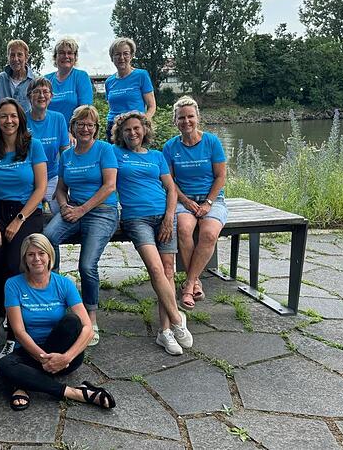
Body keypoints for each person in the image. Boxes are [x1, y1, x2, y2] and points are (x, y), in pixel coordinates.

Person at [0, 234, 116, 412]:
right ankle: (76, 393)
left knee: (72, 321)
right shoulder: (13, 285)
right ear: (24, 258)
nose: (36, 259)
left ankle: (22, 382)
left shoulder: (64, 284)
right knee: (3, 364)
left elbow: (88, 328)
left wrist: (66, 357)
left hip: (65, 357)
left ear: (49, 256)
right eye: (31, 254)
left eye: (41, 253)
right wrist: (43, 359)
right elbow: (19, 332)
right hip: (32, 352)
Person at [0, 98, 47, 358]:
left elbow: (41, 188)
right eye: (3, 116)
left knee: (17, 260)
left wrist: (19, 220)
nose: (9, 121)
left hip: (27, 211)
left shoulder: (33, 147)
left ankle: (15, 329)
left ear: (20, 119)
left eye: (13, 116)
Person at [113, 111, 192, 356]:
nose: (132, 133)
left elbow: (171, 189)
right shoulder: (115, 154)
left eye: (137, 128)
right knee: (156, 269)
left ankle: (164, 332)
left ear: (145, 130)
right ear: (120, 134)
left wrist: (170, 216)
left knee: (168, 270)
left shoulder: (157, 157)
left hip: (165, 217)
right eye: (127, 130)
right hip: (136, 219)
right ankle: (178, 320)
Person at [43, 105, 117, 346]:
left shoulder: (104, 150)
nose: (85, 128)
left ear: (96, 129)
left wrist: (82, 210)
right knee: (47, 238)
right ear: (72, 127)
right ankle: (57, 291)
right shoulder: (67, 155)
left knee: (87, 265)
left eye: (90, 125)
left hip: (102, 211)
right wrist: (64, 206)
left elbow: (109, 187)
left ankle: (90, 319)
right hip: (73, 208)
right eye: (80, 124)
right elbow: (61, 189)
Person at [162, 96, 227, 310]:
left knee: (209, 233)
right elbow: (169, 182)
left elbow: (220, 176)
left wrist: (208, 203)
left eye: (190, 116)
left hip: (212, 199)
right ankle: (195, 281)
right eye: (181, 117)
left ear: (197, 118)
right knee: (184, 228)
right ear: (175, 121)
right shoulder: (170, 147)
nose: (186, 121)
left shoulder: (211, 142)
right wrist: (186, 201)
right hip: (184, 200)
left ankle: (190, 283)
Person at [25, 78, 69, 213]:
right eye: (37, 92)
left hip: (52, 177)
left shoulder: (58, 118)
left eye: (45, 92)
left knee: (61, 215)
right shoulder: (21, 120)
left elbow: (65, 153)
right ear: (29, 96)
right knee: (29, 217)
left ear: (51, 96)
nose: (42, 96)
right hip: (29, 179)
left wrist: (63, 184)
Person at [104, 38, 156, 140]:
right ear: (112, 58)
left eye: (126, 54)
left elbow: (152, 106)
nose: (121, 57)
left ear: (131, 56)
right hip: (113, 128)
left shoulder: (141, 75)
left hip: (134, 129)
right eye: (117, 54)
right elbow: (112, 107)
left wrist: (143, 124)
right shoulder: (109, 82)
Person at [45, 38, 93, 126]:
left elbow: (85, 111)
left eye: (70, 53)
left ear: (75, 57)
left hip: (73, 134)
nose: (66, 56)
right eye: (62, 53)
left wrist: (71, 131)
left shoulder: (81, 76)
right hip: (49, 130)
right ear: (55, 57)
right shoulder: (46, 79)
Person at [0, 39, 38, 112]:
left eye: (19, 55)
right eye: (12, 55)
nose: (15, 59)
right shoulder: (1, 79)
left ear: (26, 58)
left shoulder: (35, 81)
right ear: (8, 57)